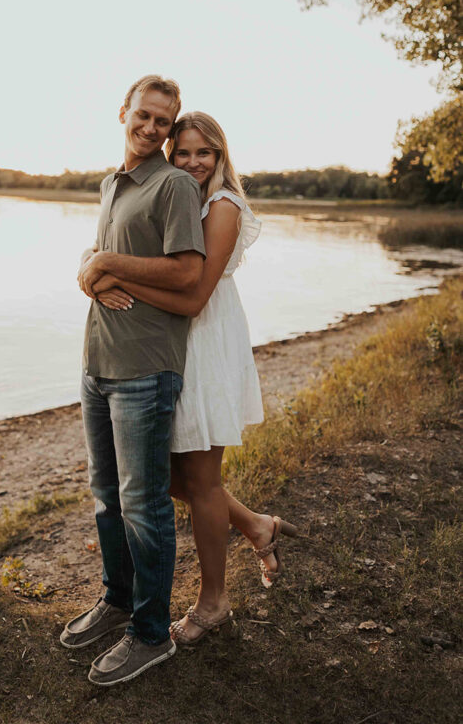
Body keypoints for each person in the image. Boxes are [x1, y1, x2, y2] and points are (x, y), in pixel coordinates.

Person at [91, 112, 297, 645]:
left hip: (204, 343)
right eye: (182, 152)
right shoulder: (177, 194)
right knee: (165, 479)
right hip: (173, 341)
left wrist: (114, 279)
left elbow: (193, 295)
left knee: (199, 481)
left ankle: (214, 602)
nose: (191, 162)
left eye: (203, 153)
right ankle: (256, 526)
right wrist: (97, 271)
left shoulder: (223, 207)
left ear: (221, 155)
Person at [60, 75, 206, 686]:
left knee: (144, 507)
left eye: (163, 123)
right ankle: (117, 600)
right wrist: (90, 274)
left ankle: (151, 635)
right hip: (97, 362)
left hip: (146, 368)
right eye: (143, 116)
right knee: (106, 497)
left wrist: (107, 266)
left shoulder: (171, 185)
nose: (151, 129)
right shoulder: (110, 184)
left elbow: (186, 274)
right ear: (124, 112)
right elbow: (88, 263)